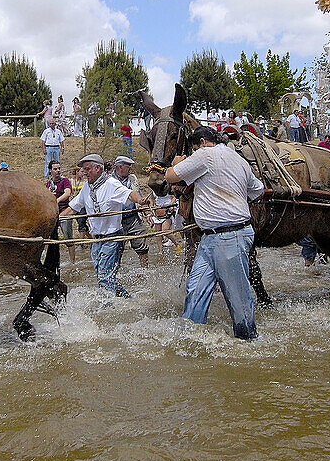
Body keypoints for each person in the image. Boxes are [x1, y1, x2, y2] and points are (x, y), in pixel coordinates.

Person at [165, 126, 264, 339]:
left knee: (237, 295)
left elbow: (171, 176)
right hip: (213, 237)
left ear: (202, 142)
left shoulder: (205, 154)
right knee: (196, 287)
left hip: (229, 235)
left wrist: (177, 163)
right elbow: (257, 191)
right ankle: (190, 335)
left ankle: (248, 340)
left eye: (194, 149)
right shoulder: (239, 160)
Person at [62, 154, 148, 297]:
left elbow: (129, 194)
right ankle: (127, 300)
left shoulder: (111, 184)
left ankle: (108, 311)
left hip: (112, 239)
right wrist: (56, 219)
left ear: (98, 168)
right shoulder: (86, 188)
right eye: (83, 170)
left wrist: (140, 200)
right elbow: (73, 208)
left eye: (87, 169)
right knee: (104, 278)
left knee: (105, 278)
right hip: (96, 241)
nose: (84, 173)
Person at [113, 156, 150, 268]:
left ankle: (145, 269)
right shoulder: (110, 181)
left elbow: (138, 194)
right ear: (120, 167)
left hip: (134, 216)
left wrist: (146, 213)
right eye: (128, 167)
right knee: (116, 248)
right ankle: (114, 272)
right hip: (117, 219)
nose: (130, 169)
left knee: (142, 244)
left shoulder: (133, 178)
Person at [47, 160, 76, 263]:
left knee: (68, 239)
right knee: (51, 240)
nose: (58, 171)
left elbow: (67, 193)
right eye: (55, 169)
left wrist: (57, 200)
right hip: (52, 214)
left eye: (59, 168)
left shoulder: (65, 181)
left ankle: (73, 262)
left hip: (64, 212)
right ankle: (53, 261)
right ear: (50, 171)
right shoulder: (48, 184)